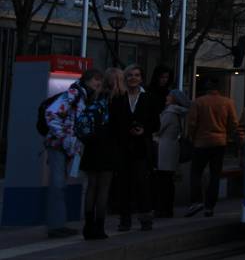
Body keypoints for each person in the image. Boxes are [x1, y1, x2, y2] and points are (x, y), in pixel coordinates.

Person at [43, 68, 103, 238]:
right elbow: (52, 113)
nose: (98, 84)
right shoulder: (74, 93)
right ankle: (56, 226)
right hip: (59, 145)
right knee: (58, 185)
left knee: (59, 185)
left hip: (63, 145)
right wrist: (65, 137)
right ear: (88, 80)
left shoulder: (82, 95)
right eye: (96, 80)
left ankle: (58, 224)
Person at [111, 65, 158, 231]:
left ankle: (146, 218)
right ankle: (125, 219)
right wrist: (126, 130)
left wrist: (144, 129)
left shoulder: (149, 98)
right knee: (123, 184)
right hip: (123, 146)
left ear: (141, 78)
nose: (133, 78)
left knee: (142, 183)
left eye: (136, 75)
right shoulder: (118, 99)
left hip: (141, 147)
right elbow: (114, 122)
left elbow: (155, 122)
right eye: (130, 75)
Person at [186, 78, 239, 217]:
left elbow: (191, 123)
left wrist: (191, 137)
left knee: (196, 172)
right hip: (219, 142)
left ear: (206, 88)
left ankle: (196, 201)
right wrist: (229, 136)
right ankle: (210, 206)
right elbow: (233, 122)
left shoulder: (198, 102)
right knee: (215, 174)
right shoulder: (228, 102)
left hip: (201, 142)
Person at [80, 68, 122, 240]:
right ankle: (99, 227)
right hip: (108, 147)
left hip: (91, 146)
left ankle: (88, 226)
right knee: (104, 188)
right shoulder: (119, 100)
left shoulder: (95, 96)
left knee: (91, 187)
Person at [153, 89, 190, 218]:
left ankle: (162, 209)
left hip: (164, 148)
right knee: (168, 181)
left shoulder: (169, 112)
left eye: (169, 95)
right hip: (173, 147)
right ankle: (167, 208)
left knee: (163, 181)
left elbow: (158, 128)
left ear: (174, 98)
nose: (166, 97)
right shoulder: (180, 113)